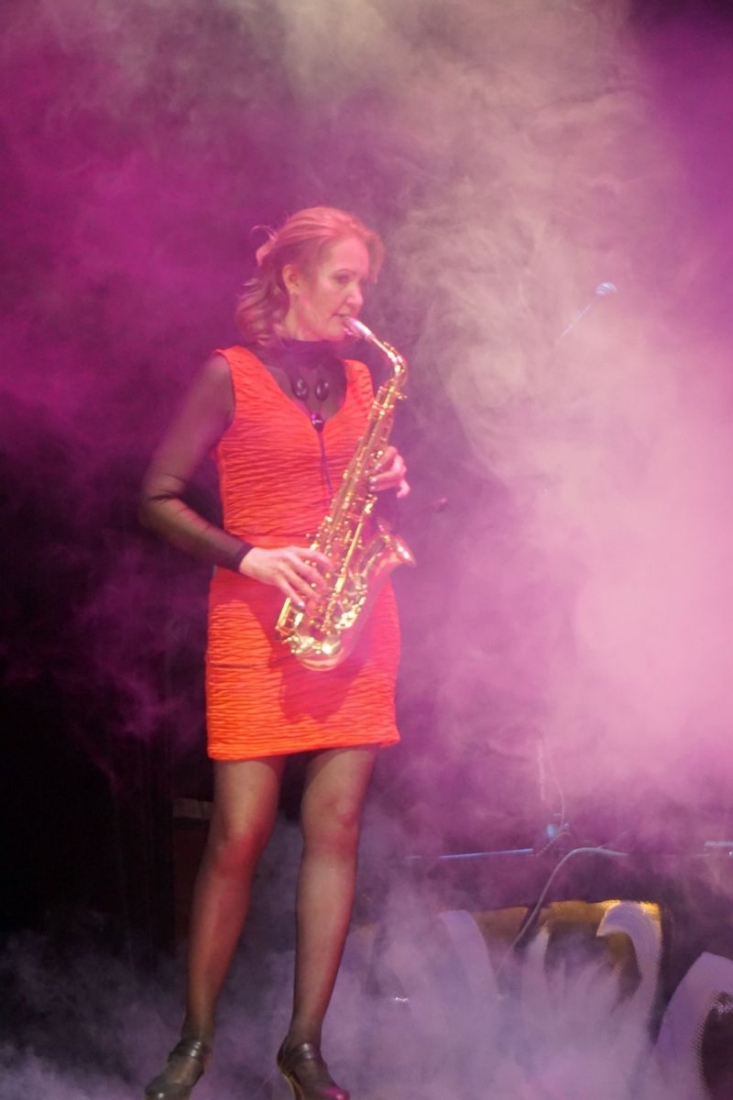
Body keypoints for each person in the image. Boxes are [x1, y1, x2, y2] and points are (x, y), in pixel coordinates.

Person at [139, 206, 409, 1100]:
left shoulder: (362, 380)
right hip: (255, 628)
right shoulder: (229, 373)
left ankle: (303, 1047)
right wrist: (248, 555)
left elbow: (374, 503)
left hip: (355, 626)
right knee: (239, 836)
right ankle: (195, 1040)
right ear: (291, 276)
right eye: (343, 278)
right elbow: (156, 497)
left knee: (336, 832)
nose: (357, 297)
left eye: (364, 282)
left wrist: (396, 482)